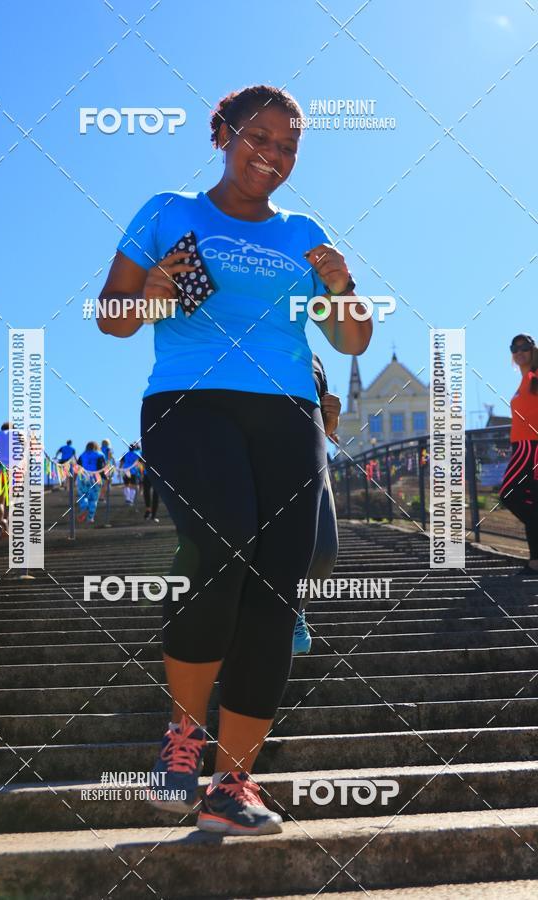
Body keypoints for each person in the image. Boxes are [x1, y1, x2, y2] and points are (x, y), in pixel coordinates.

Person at [97, 84, 372, 836]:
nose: (273, 155)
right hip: (190, 401)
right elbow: (111, 317)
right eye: (260, 137)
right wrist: (151, 295)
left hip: (287, 412)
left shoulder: (304, 232)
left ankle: (233, 784)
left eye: (289, 146)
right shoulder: (168, 212)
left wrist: (343, 287)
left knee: (276, 588)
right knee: (221, 544)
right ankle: (182, 736)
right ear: (223, 134)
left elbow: (351, 341)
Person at [293, 354, 341, 654]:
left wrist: (331, 417)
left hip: (307, 454)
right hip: (249, 452)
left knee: (324, 547)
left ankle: (294, 608)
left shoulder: (313, 359)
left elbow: (325, 424)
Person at [499, 334, 538, 576]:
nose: (519, 351)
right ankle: (535, 562)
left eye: (525, 347)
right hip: (522, 446)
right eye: (515, 348)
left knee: (509, 494)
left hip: (530, 446)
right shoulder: (525, 381)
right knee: (533, 502)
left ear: (534, 350)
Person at [76, 441, 105, 524]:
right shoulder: (100, 454)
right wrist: (104, 478)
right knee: (93, 499)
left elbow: (78, 467)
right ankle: (90, 517)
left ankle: (84, 507)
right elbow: (101, 467)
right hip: (95, 477)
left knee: (82, 495)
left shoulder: (82, 455)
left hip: (83, 477)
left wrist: (75, 478)